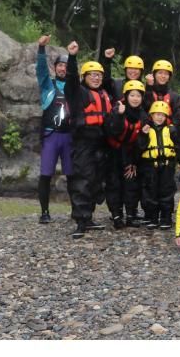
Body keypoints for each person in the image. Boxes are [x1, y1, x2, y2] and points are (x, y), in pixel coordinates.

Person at [64, 42, 112, 239]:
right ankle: (81, 221)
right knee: (81, 180)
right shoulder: (78, 92)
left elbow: (107, 78)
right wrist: (72, 57)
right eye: (92, 74)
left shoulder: (103, 93)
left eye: (98, 75)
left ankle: (89, 216)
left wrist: (106, 61)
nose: (96, 77)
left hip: (100, 143)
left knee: (95, 181)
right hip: (82, 143)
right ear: (84, 77)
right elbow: (71, 80)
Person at [35, 35, 73, 224]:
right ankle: (45, 212)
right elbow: (41, 70)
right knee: (46, 174)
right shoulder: (47, 85)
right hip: (51, 135)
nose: (62, 68)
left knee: (72, 174)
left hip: (69, 137)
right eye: (59, 65)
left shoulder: (75, 88)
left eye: (66, 66)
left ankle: (77, 211)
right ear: (55, 67)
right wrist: (41, 49)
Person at [104, 80, 147, 229]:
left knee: (131, 183)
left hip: (130, 153)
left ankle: (130, 215)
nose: (135, 98)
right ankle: (116, 215)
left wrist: (134, 163)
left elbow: (141, 144)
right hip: (113, 152)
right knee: (114, 183)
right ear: (126, 96)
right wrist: (119, 116)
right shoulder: (117, 109)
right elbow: (113, 131)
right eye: (132, 95)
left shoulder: (143, 116)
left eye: (138, 96)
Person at [137, 100, 180, 230]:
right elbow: (140, 147)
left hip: (167, 166)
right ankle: (152, 217)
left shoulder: (171, 130)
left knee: (167, 192)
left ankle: (166, 217)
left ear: (166, 117)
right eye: (156, 114)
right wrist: (143, 135)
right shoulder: (146, 130)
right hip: (150, 166)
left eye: (162, 115)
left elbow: (179, 147)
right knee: (150, 192)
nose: (159, 117)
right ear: (151, 116)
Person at [143, 60, 180, 126]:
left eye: (166, 74)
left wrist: (172, 128)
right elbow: (146, 107)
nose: (163, 76)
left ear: (169, 77)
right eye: (160, 73)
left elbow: (177, 117)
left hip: (168, 131)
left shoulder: (174, 96)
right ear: (154, 75)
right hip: (149, 129)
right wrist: (148, 87)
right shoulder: (147, 91)